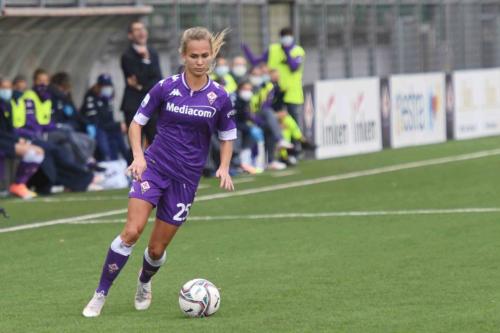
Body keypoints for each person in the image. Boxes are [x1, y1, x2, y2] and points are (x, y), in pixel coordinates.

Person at [82, 26, 236, 318]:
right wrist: (139, 156)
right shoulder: (165, 87)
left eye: (205, 55)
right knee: (131, 232)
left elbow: (228, 135)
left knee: (155, 250)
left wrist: (224, 166)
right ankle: (100, 294)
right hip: (153, 167)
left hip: (185, 180)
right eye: (194, 56)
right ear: (183, 55)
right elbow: (136, 123)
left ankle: (144, 281)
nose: (199, 61)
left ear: (212, 56)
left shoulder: (220, 97)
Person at [242, 27, 305, 122]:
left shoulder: (298, 51)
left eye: (288, 36)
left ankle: (295, 137)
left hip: (292, 93)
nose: (286, 39)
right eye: (283, 36)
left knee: (293, 121)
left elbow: (294, 67)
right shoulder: (273, 49)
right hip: (274, 91)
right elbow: (255, 61)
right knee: (275, 120)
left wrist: (287, 51)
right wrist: (246, 50)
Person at [0, 77, 45, 199]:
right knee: (33, 152)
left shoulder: (7, 105)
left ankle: (19, 184)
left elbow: (10, 128)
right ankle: (16, 185)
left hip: (7, 140)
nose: (7, 91)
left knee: (39, 152)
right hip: (3, 141)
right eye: (3, 88)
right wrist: (15, 140)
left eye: (8, 88)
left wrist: (18, 138)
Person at [120, 20, 162, 145]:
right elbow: (139, 79)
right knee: (135, 145)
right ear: (130, 35)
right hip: (134, 105)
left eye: (143, 28)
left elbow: (158, 79)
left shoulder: (152, 52)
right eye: (137, 30)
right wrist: (144, 61)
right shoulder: (127, 55)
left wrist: (140, 86)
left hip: (152, 104)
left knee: (155, 142)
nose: (141, 32)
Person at [81, 74, 130, 163]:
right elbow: (96, 122)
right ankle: (107, 161)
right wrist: (118, 125)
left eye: (109, 86)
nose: (107, 88)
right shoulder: (90, 98)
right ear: (99, 86)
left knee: (119, 139)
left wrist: (118, 126)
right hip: (96, 128)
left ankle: (128, 163)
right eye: (104, 86)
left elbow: (110, 119)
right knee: (104, 144)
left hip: (106, 127)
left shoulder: (108, 99)